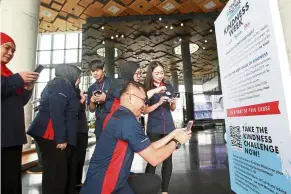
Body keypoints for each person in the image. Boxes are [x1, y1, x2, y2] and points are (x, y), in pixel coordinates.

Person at [80, 82, 192, 194]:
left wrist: (172, 135)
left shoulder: (120, 115)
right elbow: (154, 159)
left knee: (151, 180)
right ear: (130, 98)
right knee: (152, 181)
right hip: (105, 186)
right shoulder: (127, 121)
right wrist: (176, 142)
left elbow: (149, 148)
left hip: (113, 180)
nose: (144, 105)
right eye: (143, 100)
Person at [27, 64, 81, 194]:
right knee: (56, 173)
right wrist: (61, 138)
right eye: (78, 77)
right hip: (50, 134)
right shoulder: (61, 84)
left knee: (55, 171)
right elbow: (57, 111)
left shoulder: (62, 84)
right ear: (71, 74)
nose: (79, 80)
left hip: (52, 134)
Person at [1, 32, 39, 194]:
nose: (10, 53)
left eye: (13, 51)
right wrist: (18, 78)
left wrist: (27, 90)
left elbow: (19, 102)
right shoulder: (11, 77)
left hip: (11, 134)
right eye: (7, 48)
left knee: (11, 176)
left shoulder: (7, 74)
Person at [144, 61, 178, 194]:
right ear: (151, 74)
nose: (159, 76)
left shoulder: (169, 86)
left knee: (168, 159)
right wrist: (158, 103)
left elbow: (172, 109)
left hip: (168, 126)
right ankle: (147, 189)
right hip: (154, 127)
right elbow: (144, 110)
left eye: (161, 73)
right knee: (152, 159)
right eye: (156, 73)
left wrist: (173, 103)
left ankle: (165, 190)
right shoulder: (147, 89)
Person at [102, 61, 166, 129]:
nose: (139, 76)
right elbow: (139, 96)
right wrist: (155, 90)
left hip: (126, 121)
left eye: (140, 73)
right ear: (129, 72)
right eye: (137, 73)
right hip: (115, 122)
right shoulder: (119, 85)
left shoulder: (133, 84)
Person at [87, 60, 112, 140]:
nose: (95, 73)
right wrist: (91, 101)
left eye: (97, 70)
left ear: (103, 69)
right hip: (99, 123)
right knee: (100, 150)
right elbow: (91, 110)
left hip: (112, 121)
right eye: (93, 71)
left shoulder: (112, 82)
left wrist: (106, 97)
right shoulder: (91, 88)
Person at [75, 87, 89, 191]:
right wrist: (81, 102)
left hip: (82, 130)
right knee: (77, 159)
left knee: (80, 159)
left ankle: (78, 183)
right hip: (77, 131)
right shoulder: (70, 91)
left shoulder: (76, 90)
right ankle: (75, 184)